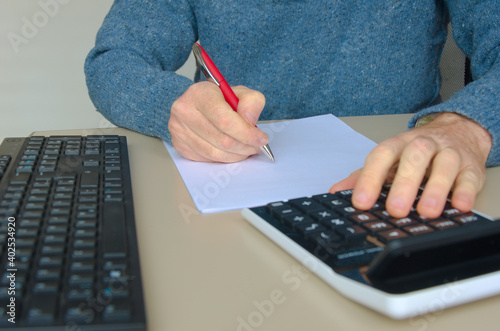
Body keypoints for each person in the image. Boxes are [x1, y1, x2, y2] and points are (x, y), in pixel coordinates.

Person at [84, 1, 499, 219]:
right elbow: (114, 58)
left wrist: (468, 126)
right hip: (225, 203)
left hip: (407, 190)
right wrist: (169, 105)